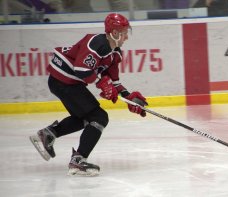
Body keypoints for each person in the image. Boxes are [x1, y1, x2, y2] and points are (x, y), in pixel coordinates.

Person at [29, 13, 148, 176]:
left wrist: (130, 98)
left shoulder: (115, 53)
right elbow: (82, 70)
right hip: (63, 80)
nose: (127, 36)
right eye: (124, 32)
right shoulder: (96, 42)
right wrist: (101, 82)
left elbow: (115, 82)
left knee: (86, 119)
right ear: (114, 32)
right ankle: (78, 161)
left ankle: (48, 134)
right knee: (99, 117)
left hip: (68, 83)